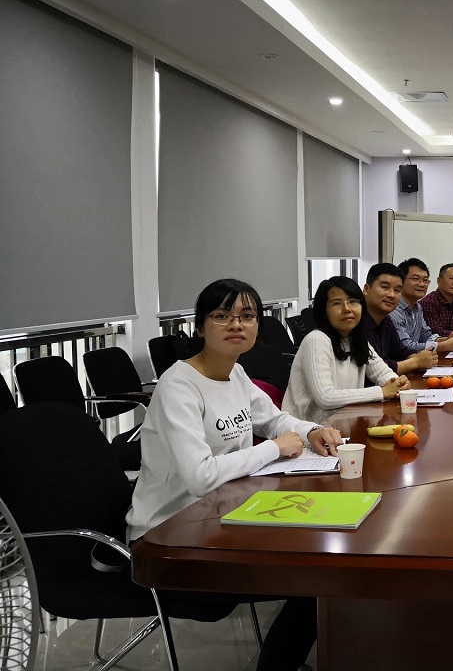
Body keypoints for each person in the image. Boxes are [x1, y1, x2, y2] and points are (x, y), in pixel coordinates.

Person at [126, 278, 345, 671]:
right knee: (316, 578)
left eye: (247, 316)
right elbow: (200, 477)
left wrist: (310, 430)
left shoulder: (235, 373)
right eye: (221, 316)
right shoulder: (179, 385)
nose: (236, 324)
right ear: (199, 327)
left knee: (324, 543)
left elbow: (275, 419)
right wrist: (273, 448)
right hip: (170, 534)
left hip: (222, 513)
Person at [283, 276, 410, 422]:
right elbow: (326, 398)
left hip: (344, 426)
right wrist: (382, 392)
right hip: (307, 432)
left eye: (353, 301)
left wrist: (398, 384)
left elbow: (382, 373)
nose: (347, 309)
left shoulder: (355, 339)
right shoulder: (316, 340)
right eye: (337, 303)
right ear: (324, 311)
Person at [362, 262, 438, 373]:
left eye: (397, 290)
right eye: (385, 287)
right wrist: (416, 362)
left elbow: (400, 351)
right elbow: (371, 369)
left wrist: (419, 357)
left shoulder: (385, 320)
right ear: (366, 289)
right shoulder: (355, 322)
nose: (391, 295)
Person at [392, 258, 453, 355]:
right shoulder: (393, 309)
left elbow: (426, 335)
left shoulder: (417, 307)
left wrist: (447, 338)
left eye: (425, 280)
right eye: (415, 279)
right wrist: (443, 346)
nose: (422, 284)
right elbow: (405, 346)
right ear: (400, 281)